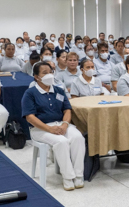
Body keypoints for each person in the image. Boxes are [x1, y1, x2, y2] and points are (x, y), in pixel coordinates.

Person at [22, 62, 86, 191]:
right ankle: (68, 177)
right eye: (44, 73)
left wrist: (65, 124)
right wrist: (49, 129)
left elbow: (67, 110)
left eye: (51, 72)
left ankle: (78, 175)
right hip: (40, 128)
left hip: (61, 125)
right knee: (61, 141)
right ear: (36, 77)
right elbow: (30, 117)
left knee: (78, 138)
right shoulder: (30, 93)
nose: (49, 75)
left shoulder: (58, 90)